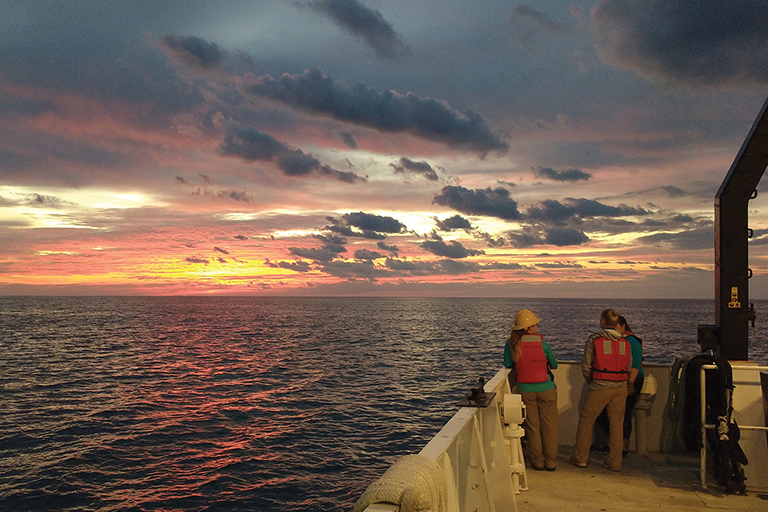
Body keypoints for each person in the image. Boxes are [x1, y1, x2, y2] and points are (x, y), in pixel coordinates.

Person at [570, 309, 637, 472]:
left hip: (600, 385)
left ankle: (581, 458)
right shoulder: (625, 342)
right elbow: (629, 365)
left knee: (586, 420)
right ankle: (614, 462)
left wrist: (591, 380)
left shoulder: (594, 340)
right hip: (620, 386)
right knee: (616, 424)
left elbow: (586, 365)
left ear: (602, 321)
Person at [504, 309, 559, 471]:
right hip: (547, 389)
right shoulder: (543, 344)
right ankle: (551, 462)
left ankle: (538, 462)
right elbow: (554, 365)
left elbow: (508, 364)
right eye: (534, 324)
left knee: (532, 427)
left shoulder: (512, 345)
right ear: (528, 328)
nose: (536, 327)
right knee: (549, 426)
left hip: (525, 390)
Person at [593, 315, 644, 457]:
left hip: (631, 380)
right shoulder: (621, 341)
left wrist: (631, 383)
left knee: (625, 414)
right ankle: (612, 446)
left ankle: (622, 448)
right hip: (619, 380)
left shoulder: (630, 341)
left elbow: (635, 363)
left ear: (623, 326)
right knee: (609, 414)